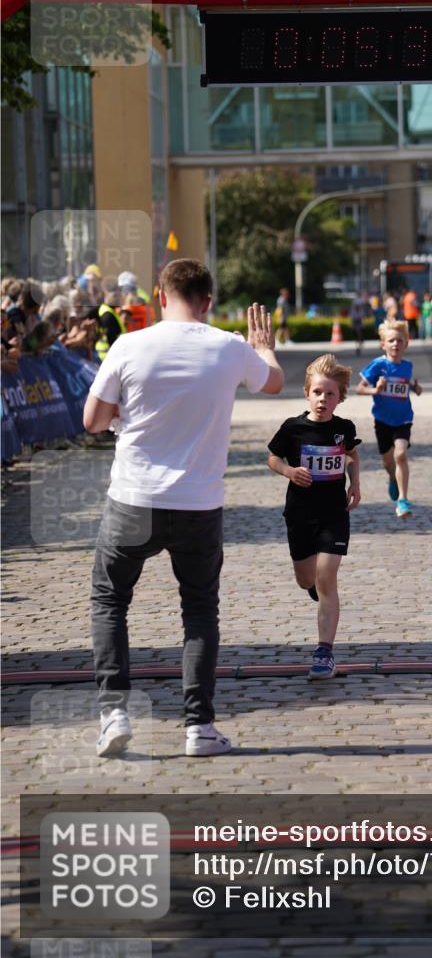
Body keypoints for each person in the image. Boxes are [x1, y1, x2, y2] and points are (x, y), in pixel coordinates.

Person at [83, 259, 284, 757]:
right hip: (198, 503)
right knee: (198, 610)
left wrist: (120, 416)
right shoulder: (229, 347)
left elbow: (91, 420)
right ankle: (199, 728)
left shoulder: (129, 345)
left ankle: (113, 715)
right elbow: (275, 383)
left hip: (133, 499)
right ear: (208, 302)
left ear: (158, 296)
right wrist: (263, 350)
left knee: (110, 601)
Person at [267, 354, 361, 680]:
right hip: (299, 515)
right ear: (307, 393)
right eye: (318, 392)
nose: (323, 399)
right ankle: (313, 589)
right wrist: (290, 471)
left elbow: (351, 456)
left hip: (334, 515)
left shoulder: (343, 429)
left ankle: (324, 653)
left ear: (340, 397)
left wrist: (355, 484)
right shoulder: (293, 428)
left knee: (326, 578)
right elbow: (272, 458)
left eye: (330, 394)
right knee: (307, 580)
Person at [357, 319, 422, 518]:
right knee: (388, 462)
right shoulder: (377, 365)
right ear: (383, 344)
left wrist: (416, 388)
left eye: (399, 341)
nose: (395, 344)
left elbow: (407, 385)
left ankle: (403, 501)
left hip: (403, 419)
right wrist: (375, 389)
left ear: (406, 344)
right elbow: (359, 389)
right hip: (382, 420)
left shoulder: (407, 366)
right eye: (391, 340)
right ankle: (393, 479)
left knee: (400, 455)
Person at [95, 287, 127, 361]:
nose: (118, 298)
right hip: (107, 356)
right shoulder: (107, 314)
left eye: (119, 296)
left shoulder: (109, 311)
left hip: (108, 356)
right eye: (115, 296)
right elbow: (111, 339)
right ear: (106, 295)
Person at [350, 292, 369, 356]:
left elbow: (361, 318)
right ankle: (357, 346)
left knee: (360, 334)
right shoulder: (353, 311)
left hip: (359, 324)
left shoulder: (361, 311)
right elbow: (353, 318)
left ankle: (360, 344)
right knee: (356, 336)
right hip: (355, 324)